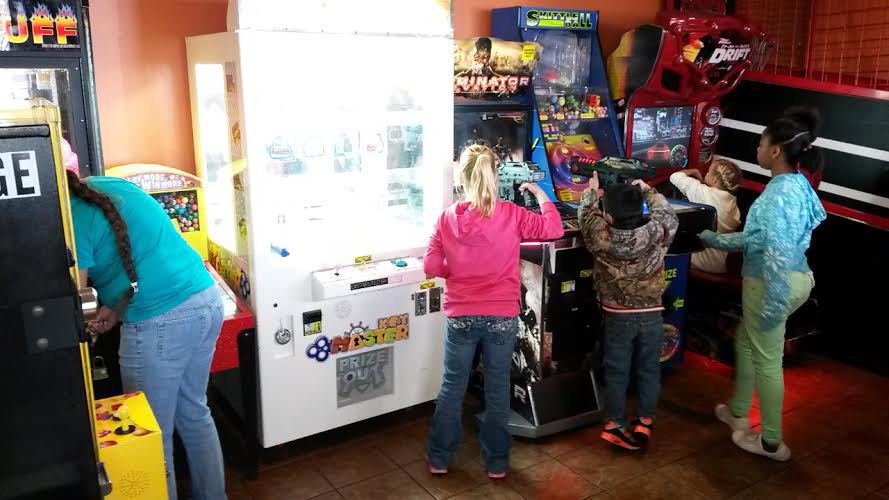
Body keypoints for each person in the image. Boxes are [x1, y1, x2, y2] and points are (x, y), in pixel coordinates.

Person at [66, 170, 226, 500]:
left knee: (152, 435)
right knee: (195, 412)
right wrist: (115, 307)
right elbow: (143, 257)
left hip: (160, 324)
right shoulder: (109, 186)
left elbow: (75, 299)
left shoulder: (71, 216)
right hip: (206, 301)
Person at [424, 145, 564, 478]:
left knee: (452, 387)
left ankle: (440, 458)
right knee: (498, 387)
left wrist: (453, 271)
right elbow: (554, 229)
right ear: (494, 175)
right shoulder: (511, 214)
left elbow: (431, 264)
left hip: (461, 316)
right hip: (502, 317)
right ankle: (497, 462)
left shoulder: (447, 218)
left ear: (462, 178)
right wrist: (541, 195)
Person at [700, 108, 826, 461]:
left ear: (775, 151)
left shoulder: (774, 197)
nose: (756, 148)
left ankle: (772, 442)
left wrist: (710, 238)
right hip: (799, 278)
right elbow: (787, 233)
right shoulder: (798, 184)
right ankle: (738, 411)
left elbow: (770, 249)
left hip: (771, 283)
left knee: (768, 362)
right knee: (745, 340)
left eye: (760, 143)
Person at [577, 173, 678, 450]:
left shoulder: (601, 236)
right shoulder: (657, 231)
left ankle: (615, 424)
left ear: (608, 216)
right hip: (652, 314)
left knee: (617, 371)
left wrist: (591, 191)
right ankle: (645, 421)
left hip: (617, 316)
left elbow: (585, 214)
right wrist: (647, 190)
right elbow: (668, 214)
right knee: (649, 370)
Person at [670, 160, 743, 274]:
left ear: (714, 180)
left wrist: (694, 171)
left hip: (701, 263)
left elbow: (675, 176)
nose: (706, 174)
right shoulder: (734, 205)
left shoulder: (703, 192)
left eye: (708, 172)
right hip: (721, 264)